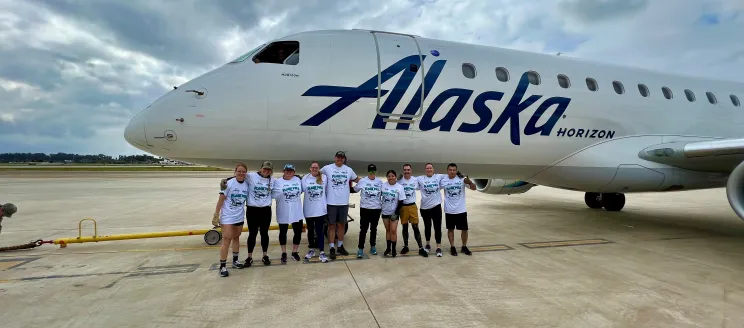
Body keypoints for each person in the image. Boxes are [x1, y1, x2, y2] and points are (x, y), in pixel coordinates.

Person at [320, 151, 359, 259]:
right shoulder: (327, 168)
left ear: (344, 159)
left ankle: (340, 246)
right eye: (338, 157)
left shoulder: (348, 170)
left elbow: (357, 180)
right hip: (331, 202)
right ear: (334, 158)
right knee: (331, 225)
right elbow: (316, 175)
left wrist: (370, 183)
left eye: (342, 158)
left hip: (343, 203)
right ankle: (332, 247)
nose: (340, 159)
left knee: (341, 225)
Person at [214, 163, 249, 277]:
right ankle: (223, 265)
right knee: (226, 240)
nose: (241, 173)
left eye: (243, 171)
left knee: (236, 238)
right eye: (239, 171)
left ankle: (235, 261)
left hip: (239, 216)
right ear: (235, 171)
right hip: (228, 217)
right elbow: (221, 200)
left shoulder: (246, 185)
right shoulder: (228, 183)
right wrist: (216, 214)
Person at [440, 163, 476, 256]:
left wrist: (470, 182)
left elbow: (474, 188)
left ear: (456, 171)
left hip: (461, 210)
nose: (452, 172)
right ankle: (452, 247)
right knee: (450, 229)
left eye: (454, 170)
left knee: (464, 230)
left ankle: (464, 247)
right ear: (447, 171)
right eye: (450, 170)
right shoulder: (443, 179)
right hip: (449, 210)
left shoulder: (462, 179)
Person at [245, 161, 275, 266]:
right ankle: (249, 257)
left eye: (269, 170)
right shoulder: (251, 176)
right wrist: (226, 181)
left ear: (271, 171)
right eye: (264, 169)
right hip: (252, 209)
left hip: (265, 210)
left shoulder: (273, 180)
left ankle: (265, 255)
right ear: (261, 168)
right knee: (252, 234)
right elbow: (238, 176)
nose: (266, 171)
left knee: (264, 233)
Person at [272, 164, 304, 263]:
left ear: (294, 172)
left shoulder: (298, 180)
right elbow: (271, 193)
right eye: (287, 170)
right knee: (283, 232)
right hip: (283, 210)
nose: (289, 172)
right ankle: (284, 252)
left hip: (296, 211)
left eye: (291, 170)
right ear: (283, 171)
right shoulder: (277, 182)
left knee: (298, 232)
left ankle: (294, 252)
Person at [353, 164, 383, 258]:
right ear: (368, 171)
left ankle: (373, 246)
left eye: (373, 171)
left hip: (376, 209)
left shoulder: (379, 182)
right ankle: (360, 248)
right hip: (365, 208)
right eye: (370, 171)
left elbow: (386, 191)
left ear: (376, 171)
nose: (372, 173)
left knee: (373, 229)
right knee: (363, 229)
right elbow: (355, 190)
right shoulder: (363, 181)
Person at [302, 161, 329, 263]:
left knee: (320, 231)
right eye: (313, 167)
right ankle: (311, 249)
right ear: (310, 168)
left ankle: (321, 251)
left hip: (320, 210)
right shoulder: (305, 178)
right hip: (309, 210)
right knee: (310, 231)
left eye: (316, 167)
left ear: (319, 169)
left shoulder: (324, 178)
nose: (314, 169)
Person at [398, 164, 427, 257]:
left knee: (415, 227)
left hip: (412, 206)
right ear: (403, 171)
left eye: (408, 170)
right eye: (405, 170)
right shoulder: (399, 181)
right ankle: (406, 246)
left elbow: (425, 181)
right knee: (405, 227)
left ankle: (421, 248)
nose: (407, 171)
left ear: (411, 171)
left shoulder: (415, 180)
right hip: (403, 207)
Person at [418, 163, 445, 257]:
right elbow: (409, 180)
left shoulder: (439, 177)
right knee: (427, 227)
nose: (429, 169)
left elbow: (451, 175)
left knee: (437, 227)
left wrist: (459, 175)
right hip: (424, 208)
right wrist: (400, 178)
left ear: (433, 169)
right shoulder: (420, 179)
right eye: (427, 168)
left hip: (436, 207)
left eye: (430, 168)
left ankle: (438, 247)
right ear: (425, 170)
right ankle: (428, 244)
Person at [381, 170, 406, 257]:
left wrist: (396, 212)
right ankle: (388, 248)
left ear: (395, 177)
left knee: (393, 230)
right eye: (389, 176)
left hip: (394, 212)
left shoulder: (399, 187)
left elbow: (401, 201)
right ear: (387, 177)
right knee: (388, 230)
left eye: (392, 176)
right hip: (385, 211)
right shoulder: (383, 185)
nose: (391, 178)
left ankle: (394, 249)